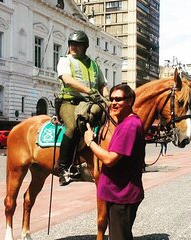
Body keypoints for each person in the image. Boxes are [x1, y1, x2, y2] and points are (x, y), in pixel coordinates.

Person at [84, 84, 145, 240]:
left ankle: (65, 166)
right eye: (111, 99)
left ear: (130, 101)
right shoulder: (124, 122)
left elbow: (110, 159)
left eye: (118, 99)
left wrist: (90, 142)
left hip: (122, 196)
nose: (113, 103)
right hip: (117, 195)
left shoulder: (129, 126)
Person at [57, 30, 109, 186]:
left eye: (77, 45)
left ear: (85, 46)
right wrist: (89, 91)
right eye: (71, 44)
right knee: (72, 127)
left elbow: (102, 85)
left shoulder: (93, 64)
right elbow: (67, 79)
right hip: (69, 102)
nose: (73, 47)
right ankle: (64, 169)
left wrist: (107, 98)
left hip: (91, 102)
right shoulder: (65, 60)